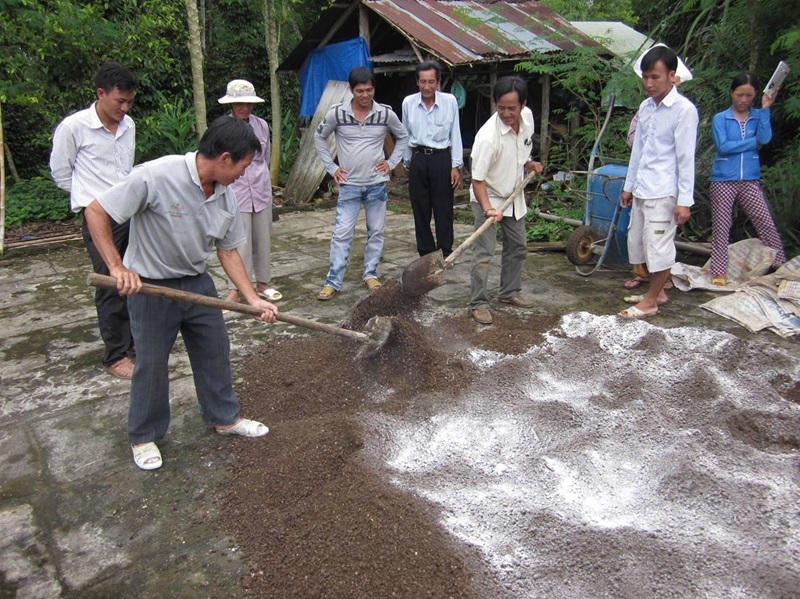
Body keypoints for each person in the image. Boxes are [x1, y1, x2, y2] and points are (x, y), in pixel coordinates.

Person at [83, 116, 278, 471]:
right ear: (223, 159)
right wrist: (116, 267)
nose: (244, 175)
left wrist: (251, 297)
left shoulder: (225, 197)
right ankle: (143, 435)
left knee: (214, 350)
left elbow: (229, 251)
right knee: (152, 364)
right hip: (152, 286)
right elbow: (97, 211)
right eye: (243, 166)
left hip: (196, 281)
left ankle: (225, 418)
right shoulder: (156, 176)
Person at [50, 62, 138, 379]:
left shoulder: (128, 126)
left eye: (129, 102)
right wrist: (91, 200)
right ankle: (115, 355)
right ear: (101, 94)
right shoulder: (74, 128)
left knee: (136, 278)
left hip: (129, 214)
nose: (125, 108)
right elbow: (61, 173)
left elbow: (126, 171)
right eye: (119, 101)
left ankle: (133, 342)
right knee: (112, 282)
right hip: (99, 217)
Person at [313, 66, 409, 300]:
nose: (364, 95)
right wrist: (332, 167)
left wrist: (392, 161)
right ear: (351, 90)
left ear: (374, 89)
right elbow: (319, 136)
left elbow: (403, 136)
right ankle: (333, 281)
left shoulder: (385, 113)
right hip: (349, 185)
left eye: (368, 90)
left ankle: (370, 274)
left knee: (376, 231)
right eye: (359, 91)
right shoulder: (338, 113)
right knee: (342, 233)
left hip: (377, 185)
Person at [619, 45, 699, 319]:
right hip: (643, 188)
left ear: (671, 76)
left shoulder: (683, 110)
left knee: (659, 247)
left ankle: (651, 300)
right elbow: (637, 151)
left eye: (655, 77)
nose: (649, 83)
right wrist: (629, 186)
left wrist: (684, 201)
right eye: (645, 77)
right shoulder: (646, 107)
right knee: (638, 245)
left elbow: (686, 158)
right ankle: (659, 291)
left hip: (664, 191)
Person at [468, 76, 543, 326]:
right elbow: (477, 180)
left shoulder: (528, 118)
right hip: (486, 197)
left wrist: (529, 163)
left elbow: (522, 150)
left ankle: (509, 292)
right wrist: (488, 209)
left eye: (512, 108)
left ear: (523, 104)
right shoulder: (488, 138)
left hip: (514, 194)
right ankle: (478, 303)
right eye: (501, 107)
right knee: (484, 252)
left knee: (518, 246)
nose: (506, 113)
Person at [709, 73, 786, 286]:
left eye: (748, 96)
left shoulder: (757, 115)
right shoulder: (721, 118)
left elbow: (765, 139)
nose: (743, 100)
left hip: (749, 179)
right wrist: (752, 143)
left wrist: (766, 107)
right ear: (731, 93)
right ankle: (719, 272)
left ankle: (780, 266)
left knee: (765, 221)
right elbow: (723, 146)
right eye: (739, 94)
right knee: (722, 225)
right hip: (723, 178)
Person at [218, 79, 282, 303]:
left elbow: (263, 158)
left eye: (248, 103)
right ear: (231, 104)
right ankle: (235, 288)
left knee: (263, 239)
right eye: (239, 103)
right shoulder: (223, 129)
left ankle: (263, 282)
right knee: (238, 241)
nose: (244, 107)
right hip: (236, 190)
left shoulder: (261, 125)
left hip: (260, 188)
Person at [402, 60, 463, 258]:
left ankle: (445, 252)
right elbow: (404, 133)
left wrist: (455, 166)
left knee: (443, 208)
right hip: (418, 158)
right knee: (420, 208)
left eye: (431, 82)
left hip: (441, 159)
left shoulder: (450, 101)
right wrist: (407, 163)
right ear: (417, 82)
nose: (427, 87)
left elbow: (456, 134)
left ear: (438, 82)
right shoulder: (408, 103)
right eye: (423, 82)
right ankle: (426, 254)